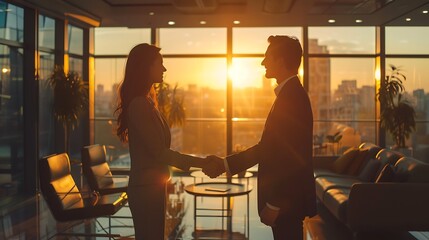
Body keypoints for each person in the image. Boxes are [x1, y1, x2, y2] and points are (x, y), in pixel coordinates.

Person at [203, 35, 317, 240]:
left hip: (286, 203)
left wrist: (275, 203)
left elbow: (291, 158)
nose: (263, 62)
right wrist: (225, 164)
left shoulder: (291, 98)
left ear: (281, 61)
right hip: (288, 201)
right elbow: (270, 149)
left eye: (267, 57)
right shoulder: (289, 95)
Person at [115, 43, 219, 239]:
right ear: (146, 67)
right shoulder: (139, 104)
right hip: (145, 191)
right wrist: (202, 162)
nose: (164, 69)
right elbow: (160, 153)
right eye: (160, 64)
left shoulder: (147, 102)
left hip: (152, 187)